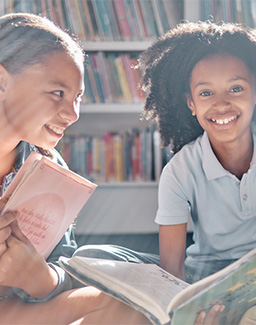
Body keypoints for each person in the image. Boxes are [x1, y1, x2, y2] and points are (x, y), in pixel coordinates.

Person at [137, 20, 256, 321]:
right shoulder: (179, 171)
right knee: (102, 260)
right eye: (206, 93)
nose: (221, 104)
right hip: (211, 278)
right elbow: (170, 272)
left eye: (236, 88)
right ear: (191, 104)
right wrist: (184, 309)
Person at [0, 13, 150, 324]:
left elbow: (60, 266)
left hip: (13, 308)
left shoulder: (50, 168)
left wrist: (41, 277)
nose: (73, 113)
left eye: (78, 97)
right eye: (58, 93)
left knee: (126, 306)